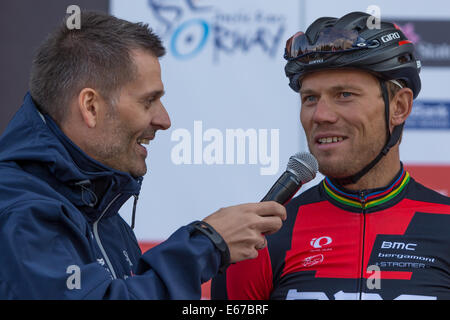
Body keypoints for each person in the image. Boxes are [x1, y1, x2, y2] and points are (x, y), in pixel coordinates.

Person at [0, 11, 286, 299]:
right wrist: (207, 245)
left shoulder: (103, 212)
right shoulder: (21, 211)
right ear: (91, 107)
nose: (164, 119)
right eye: (148, 101)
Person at [211, 11, 450, 300]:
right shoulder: (259, 239)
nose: (321, 115)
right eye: (310, 98)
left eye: (345, 95)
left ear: (399, 106)